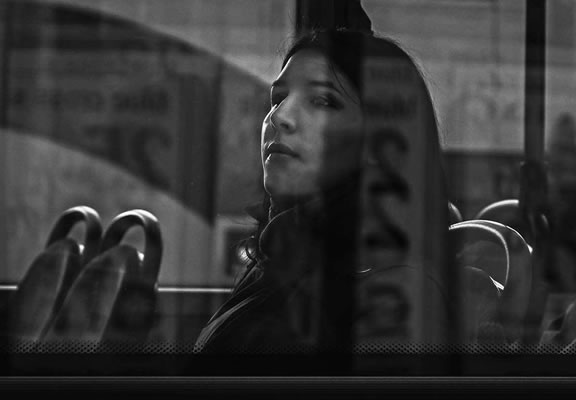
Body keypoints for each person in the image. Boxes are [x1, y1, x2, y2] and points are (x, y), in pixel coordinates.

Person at [194, 28, 459, 354]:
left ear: (383, 142)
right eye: (277, 98)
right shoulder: (283, 250)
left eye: (322, 101)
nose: (279, 116)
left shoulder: (394, 286)